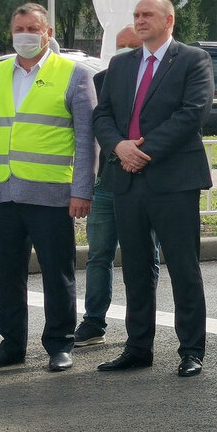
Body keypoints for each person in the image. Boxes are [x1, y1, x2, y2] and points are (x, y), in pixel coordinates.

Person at [93, 0, 214, 378]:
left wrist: (142, 152)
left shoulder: (193, 59)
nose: (140, 20)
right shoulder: (121, 63)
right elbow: (103, 114)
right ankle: (137, 347)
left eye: (148, 14)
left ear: (169, 20)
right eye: (137, 15)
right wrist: (118, 147)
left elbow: (192, 114)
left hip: (173, 180)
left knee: (183, 267)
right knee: (136, 268)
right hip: (126, 180)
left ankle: (191, 349)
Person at [0, 3, 95, 373]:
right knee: (7, 273)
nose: (24, 35)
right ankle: (11, 345)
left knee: (58, 272)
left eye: (32, 28)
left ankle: (60, 344)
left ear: (48, 32)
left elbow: (87, 140)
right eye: (18, 28)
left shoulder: (74, 74)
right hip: (5, 192)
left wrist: (82, 190)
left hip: (53, 194)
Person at [76, 24, 148, 348]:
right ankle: (93, 321)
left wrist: (135, 156)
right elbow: (98, 124)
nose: (124, 51)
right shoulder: (101, 80)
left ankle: (141, 324)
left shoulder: (157, 79)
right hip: (107, 180)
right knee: (99, 254)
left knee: (145, 256)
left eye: (132, 45)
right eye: (120, 45)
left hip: (145, 179)